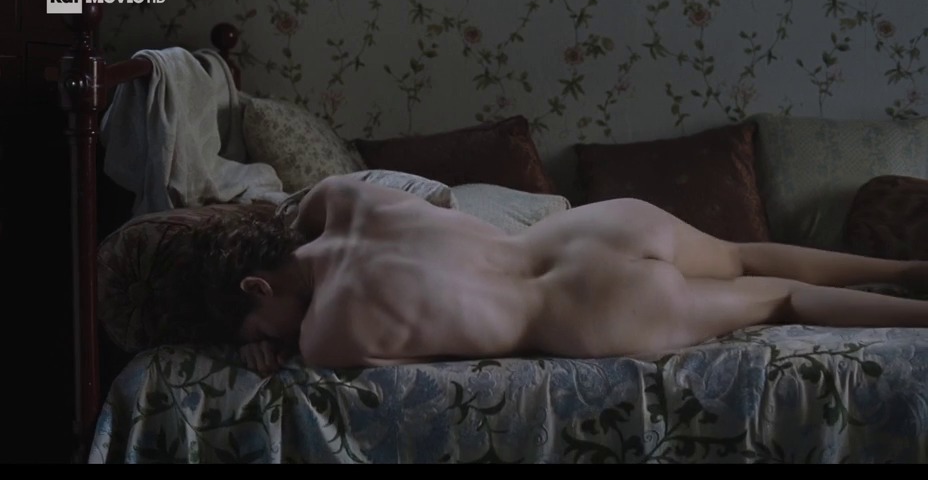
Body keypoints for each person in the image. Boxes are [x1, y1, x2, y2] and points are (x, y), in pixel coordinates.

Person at [177, 175, 928, 376]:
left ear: (257, 288)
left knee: (781, 303)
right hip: (590, 229)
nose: (269, 337)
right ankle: (910, 268)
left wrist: (269, 353)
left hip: (583, 310)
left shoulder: (327, 334)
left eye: (256, 325)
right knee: (744, 253)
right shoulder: (340, 198)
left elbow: (315, 337)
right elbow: (288, 211)